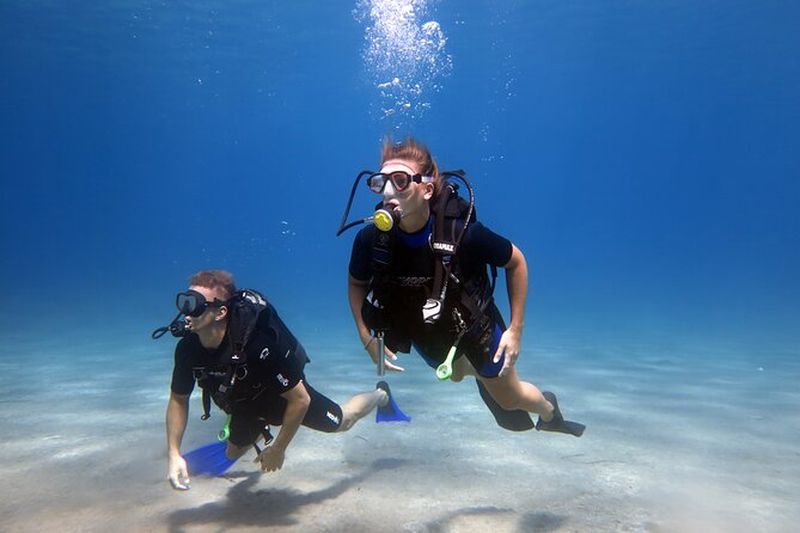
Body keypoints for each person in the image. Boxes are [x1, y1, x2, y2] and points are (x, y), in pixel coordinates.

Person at [346, 137, 584, 436]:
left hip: (475, 326)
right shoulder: (370, 240)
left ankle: (550, 412)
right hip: (428, 328)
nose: (388, 192)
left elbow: (516, 262)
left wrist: (516, 330)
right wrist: (365, 335)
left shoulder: (464, 235)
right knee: (455, 376)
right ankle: (483, 375)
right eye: (380, 182)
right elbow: (356, 283)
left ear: (427, 189)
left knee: (510, 400)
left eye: (400, 181)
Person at [165, 270, 389, 490]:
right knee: (232, 452)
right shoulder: (187, 349)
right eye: (185, 302)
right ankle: (251, 434)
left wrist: (278, 449)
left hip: (284, 399)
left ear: (220, 312)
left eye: (195, 304)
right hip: (246, 405)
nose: (186, 312)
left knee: (342, 421)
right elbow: (178, 399)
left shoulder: (257, 345)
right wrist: (174, 454)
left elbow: (300, 400)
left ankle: (381, 395)